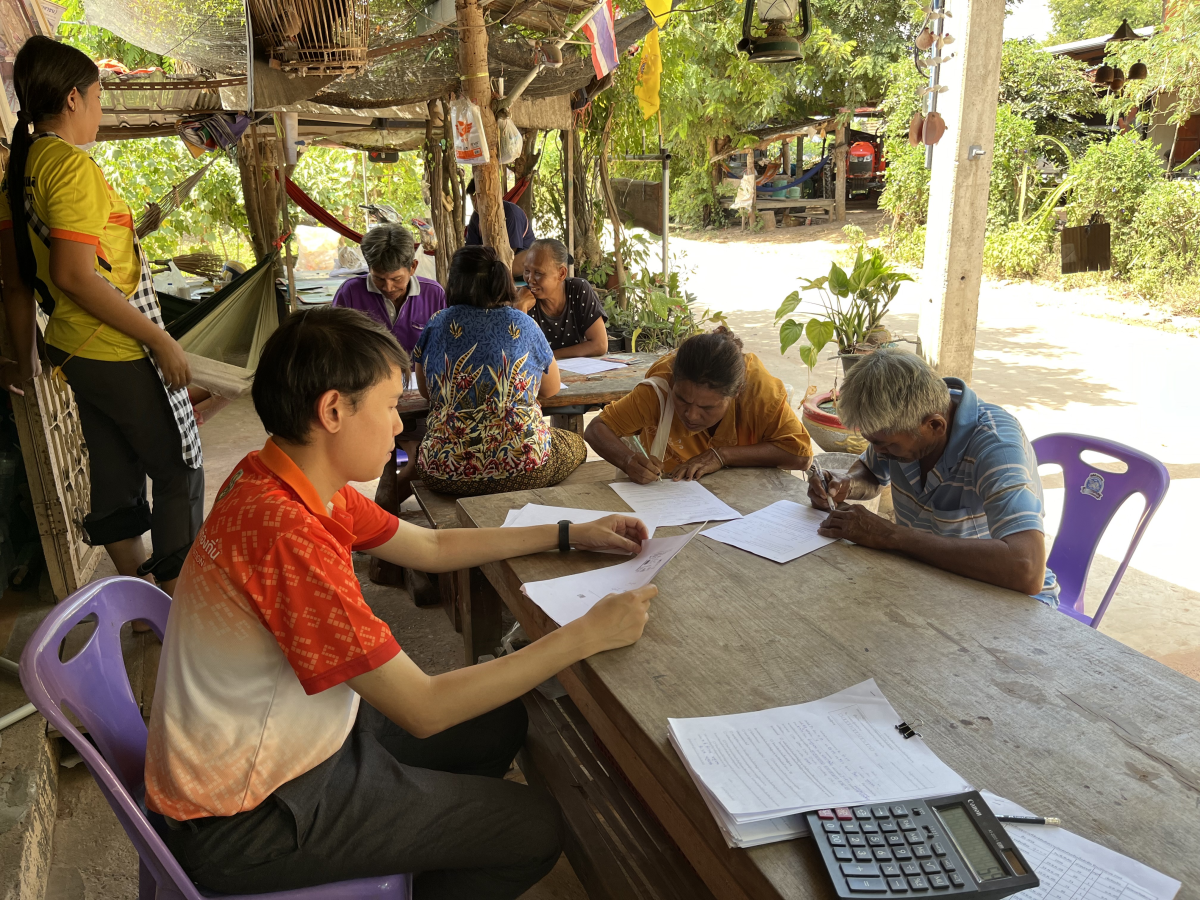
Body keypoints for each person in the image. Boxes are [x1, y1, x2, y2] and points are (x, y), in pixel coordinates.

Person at [144, 306, 655, 898]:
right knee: (534, 828)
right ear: (333, 410)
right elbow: (424, 707)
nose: (398, 426)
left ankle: (418, 848)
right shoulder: (287, 535)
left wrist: (568, 532)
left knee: (500, 721)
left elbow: (431, 545)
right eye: (390, 406)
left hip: (302, 739)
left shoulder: (285, 480)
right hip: (249, 816)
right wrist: (586, 634)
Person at [0, 37, 202, 595]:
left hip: (70, 347)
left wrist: (25, 357)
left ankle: (141, 595)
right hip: (111, 344)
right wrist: (161, 342)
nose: (100, 109)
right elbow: (74, 275)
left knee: (114, 470)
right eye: (97, 97)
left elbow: (16, 281)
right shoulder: (70, 169)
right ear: (71, 99)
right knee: (179, 466)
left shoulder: (19, 171)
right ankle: (178, 603)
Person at [807, 348, 1059, 606]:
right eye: (873, 443)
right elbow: (871, 472)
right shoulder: (905, 425)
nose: (879, 452)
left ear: (935, 426)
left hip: (1010, 600)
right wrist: (846, 485)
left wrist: (892, 536)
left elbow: (1027, 569)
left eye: (886, 445)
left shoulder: (996, 448)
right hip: (933, 579)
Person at [413, 246, 587, 496]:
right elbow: (551, 389)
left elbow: (426, 391)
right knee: (576, 445)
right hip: (524, 467)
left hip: (442, 470)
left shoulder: (437, 322)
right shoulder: (523, 323)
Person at [585, 328, 813, 483]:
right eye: (682, 400)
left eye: (708, 408)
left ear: (737, 393)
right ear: (674, 380)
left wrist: (721, 456)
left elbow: (800, 456)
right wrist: (628, 461)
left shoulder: (761, 395)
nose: (691, 415)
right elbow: (596, 429)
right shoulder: (659, 390)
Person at [332, 223, 445, 509]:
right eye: (379, 279)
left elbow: (444, 352)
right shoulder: (350, 294)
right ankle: (377, 521)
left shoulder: (434, 295)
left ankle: (378, 517)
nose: (388, 287)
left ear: (414, 266)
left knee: (425, 459)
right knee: (370, 457)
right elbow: (336, 352)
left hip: (420, 403)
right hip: (369, 404)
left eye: (396, 279)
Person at [515, 238, 608, 359]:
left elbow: (599, 345)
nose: (530, 279)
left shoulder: (578, 290)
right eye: (527, 271)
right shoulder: (523, 299)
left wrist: (549, 358)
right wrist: (519, 308)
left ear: (561, 274)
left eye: (538, 273)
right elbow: (517, 354)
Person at [464, 179, 535, 273]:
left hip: (518, 262)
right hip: (492, 263)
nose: (476, 205)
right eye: (473, 201)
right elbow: (471, 249)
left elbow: (511, 252)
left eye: (478, 199)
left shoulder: (511, 213)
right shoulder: (476, 217)